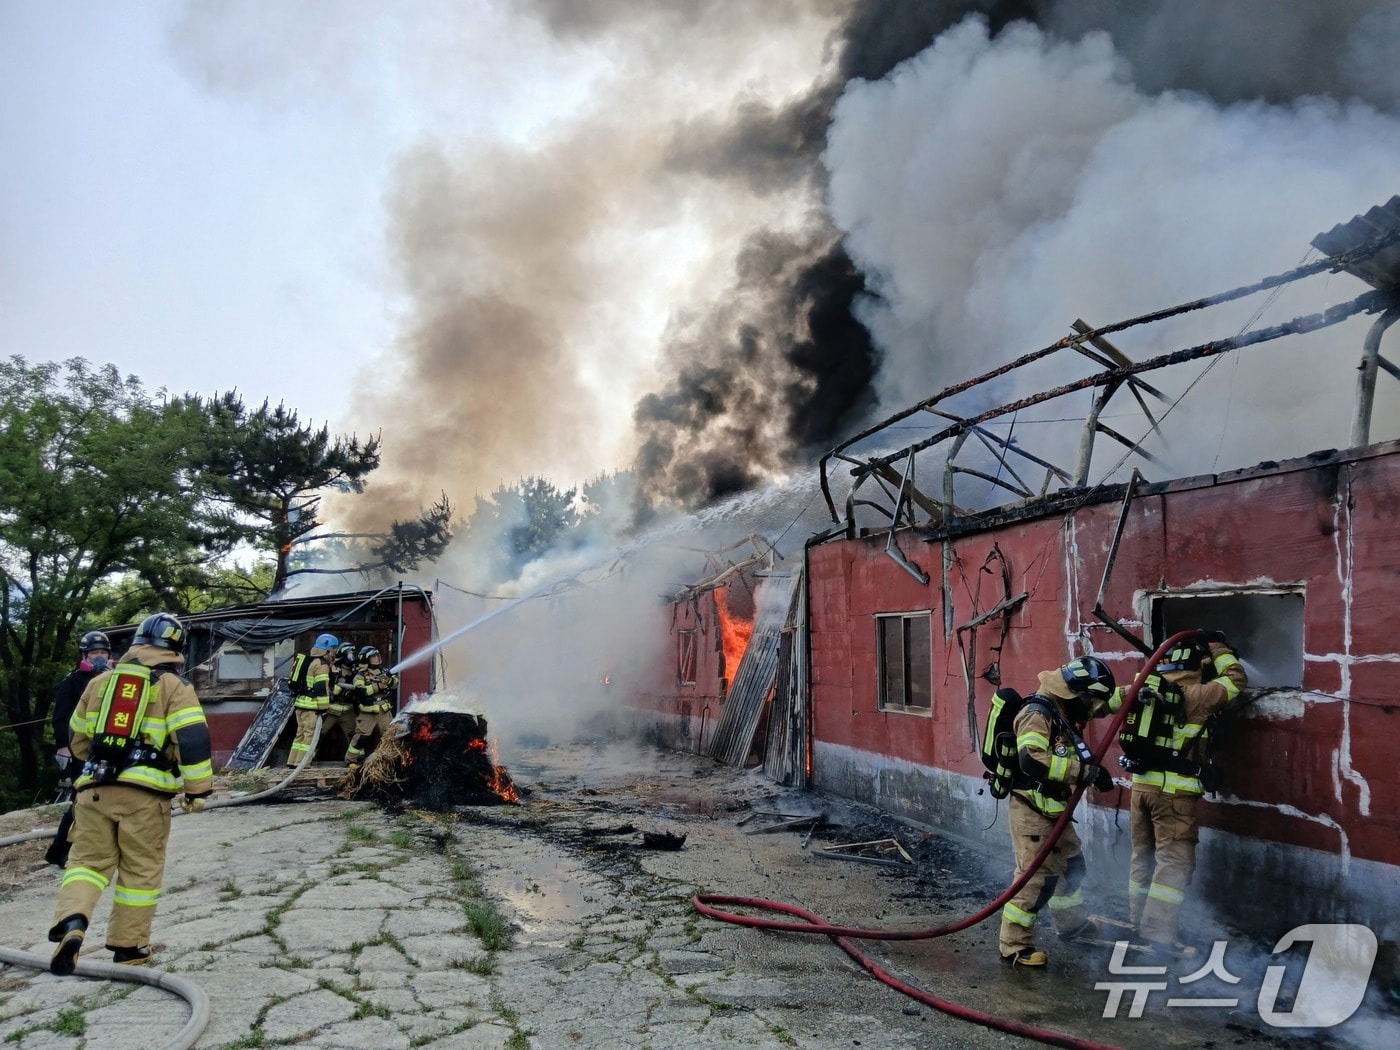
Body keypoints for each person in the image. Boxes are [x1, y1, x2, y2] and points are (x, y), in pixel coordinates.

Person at [48, 612, 213, 974]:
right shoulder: (173, 686)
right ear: (174, 647)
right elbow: (192, 738)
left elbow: (77, 738)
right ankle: (128, 947)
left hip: (93, 791)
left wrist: (95, 766)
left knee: (86, 864)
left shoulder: (99, 682)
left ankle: (73, 922)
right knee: (140, 870)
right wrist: (197, 790)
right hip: (145, 797)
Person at [1126, 631, 1247, 958]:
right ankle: (1159, 935)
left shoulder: (1142, 689)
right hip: (1174, 796)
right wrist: (1219, 647)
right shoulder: (1199, 695)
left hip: (1139, 790)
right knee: (1173, 865)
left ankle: (1138, 923)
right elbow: (1236, 679)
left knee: (1143, 858)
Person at [999, 655, 1120, 968]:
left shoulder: (1064, 706)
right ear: (1077, 694)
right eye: (1089, 699)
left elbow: (1101, 705)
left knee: (1071, 866)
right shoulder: (1037, 714)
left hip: (1054, 809)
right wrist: (1084, 773)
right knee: (1035, 880)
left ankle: (1070, 924)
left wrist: (1137, 690)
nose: (1092, 706)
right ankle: (1014, 947)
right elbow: (1031, 759)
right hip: (1032, 809)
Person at [45, 631, 111, 867]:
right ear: (84, 655)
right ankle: (59, 851)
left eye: (104, 652)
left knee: (105, 797)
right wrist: (63, 748)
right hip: (79, 750)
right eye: (95, 652)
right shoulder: (72, 682)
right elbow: (60, 719)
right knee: (80, 799)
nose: (100, 657)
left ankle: (93, 847)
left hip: (106, 748)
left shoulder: (115, 680)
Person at [286, 633, 337, 768]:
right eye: (334, 649)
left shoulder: (310, 660)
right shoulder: (321, 664)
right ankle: (302, 763)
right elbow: (321, 687)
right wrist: (324, 707)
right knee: (309, 735)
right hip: (312, 706)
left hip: (301, 704)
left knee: (300, 734)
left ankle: (292, 761)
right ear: (328, 649)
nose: (334, 652)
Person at [345, 646, 399, 768]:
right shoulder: (360, 675)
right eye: (373, 656)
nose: (377, 658)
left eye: (377, 655)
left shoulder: (383, 671)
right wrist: (379, 686)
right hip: (368, 711)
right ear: (366, 659)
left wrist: (389, 681)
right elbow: (361, 692)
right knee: (361, 737)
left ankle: (391, 760)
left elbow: (395, 683)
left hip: (383, 709)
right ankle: (351, 760)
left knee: (389, 736)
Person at [326, 642, 361, 762]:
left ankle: (356, 761)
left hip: (348, 709)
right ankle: (307, 760)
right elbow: (325, 686)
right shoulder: (332, 668)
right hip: (330, 710)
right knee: (318, 735)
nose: (353, 656)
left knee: (354, 736)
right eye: (351, 653)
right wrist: (334, 690)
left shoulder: (356, 670)